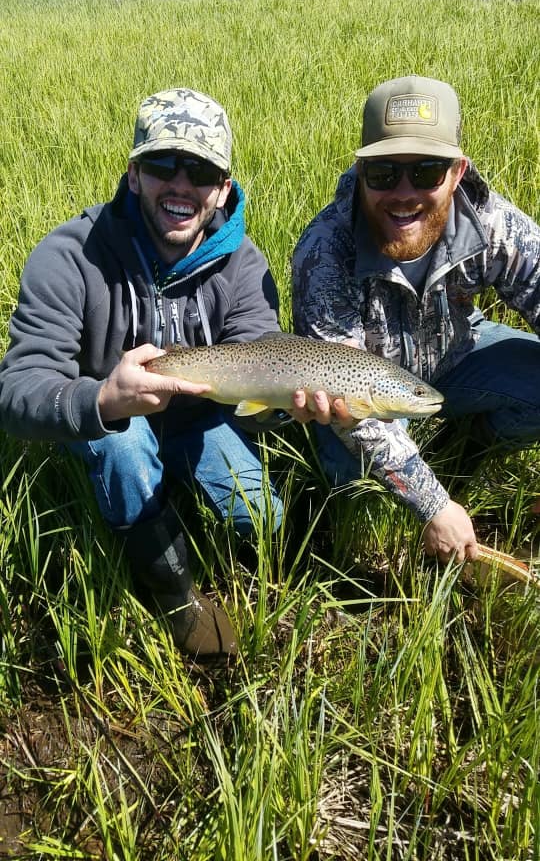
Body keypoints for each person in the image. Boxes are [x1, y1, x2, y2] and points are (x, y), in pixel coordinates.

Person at [0, 87, 285, 658]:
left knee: (266, 523)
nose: (181, 184)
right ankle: (174, 595)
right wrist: (103, 400)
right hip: (110, 422)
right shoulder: (71, 255)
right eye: (162, 164)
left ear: (223, 188)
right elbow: (15, 390)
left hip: (198, 421)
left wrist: (282, 404)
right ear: (134, 175)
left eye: (201, 170)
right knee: (123, 446)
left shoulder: (244, 265)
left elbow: (262, 364)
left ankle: (193, 514)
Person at [291, 74, 540, 566]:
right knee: (351, 482)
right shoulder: (324, 251)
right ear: (361, 172)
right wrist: (434, 505)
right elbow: (342, 388)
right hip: (358, 399)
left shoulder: (492, 225)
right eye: (384, 173)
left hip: (457, 357)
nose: (403, 193)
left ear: (457, 170)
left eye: (426, 172)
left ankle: (463, 450)